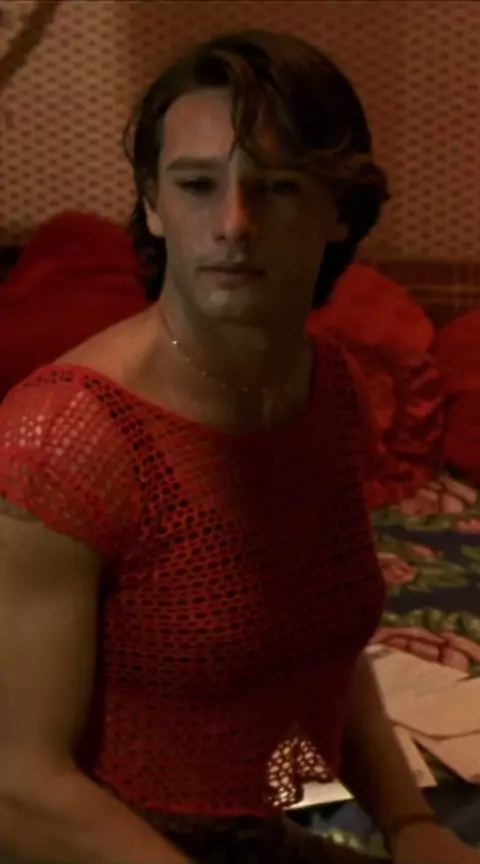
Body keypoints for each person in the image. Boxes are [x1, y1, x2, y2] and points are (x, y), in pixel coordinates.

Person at [0, 29, 477, 864]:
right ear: (153, 204)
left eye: (278, 187)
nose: (234, 224)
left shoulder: (329, 387)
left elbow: (317, 651)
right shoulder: (68, 434)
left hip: (268, 817)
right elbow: (18, 783)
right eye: (197, 185)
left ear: (338, 210)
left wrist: (410, 824)